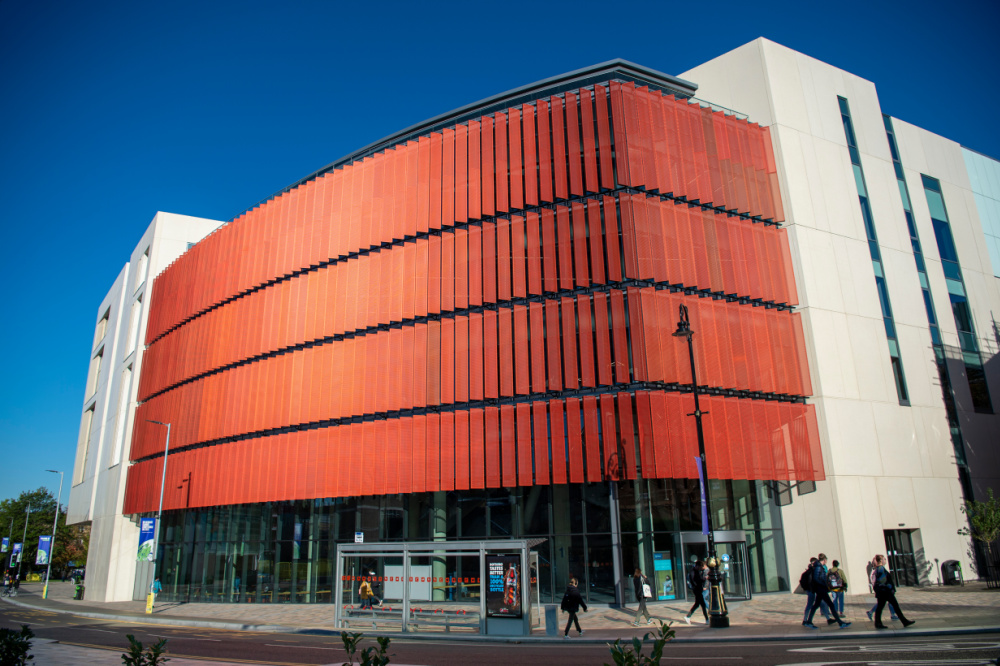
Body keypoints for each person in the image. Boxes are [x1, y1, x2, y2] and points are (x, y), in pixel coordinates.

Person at [803, 554, 851, 629]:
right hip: (821, 589)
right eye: (826, 560)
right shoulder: (818, 567)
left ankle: (809, 621)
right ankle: (840, 623)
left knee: (816, 605)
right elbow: (816, 578)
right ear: (824, 560)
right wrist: (824, 584)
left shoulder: (819, 567)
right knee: (830, 605)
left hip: (821, 590)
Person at [871, 554, 914, 629]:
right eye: (884, 559)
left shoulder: (878, 569)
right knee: (894, 606)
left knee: (880, 607)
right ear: (881, 560)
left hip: (882, 592)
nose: (885, 560)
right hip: (885, 592)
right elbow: (882, 580)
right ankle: (904, 621)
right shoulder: (881, 568)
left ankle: (878, 623)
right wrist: (890, 587)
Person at [801, 557, 831, 624]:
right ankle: (805, 620)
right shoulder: (810, 572)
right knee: (810, 605)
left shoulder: (813, 571)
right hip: (811, 591)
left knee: (821, 604)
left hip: (815, 590)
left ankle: (828, 619)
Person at [683, 560, 709, 625]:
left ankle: (688, 616)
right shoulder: (693, 572)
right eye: (700, 567)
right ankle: (707, 619)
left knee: (697, 604)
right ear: (697, 566)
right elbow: (696, 581)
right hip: (697, 589)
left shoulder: (696, 571)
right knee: (702, 604)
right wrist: (704, 579)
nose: (701, 568)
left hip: (698, 589)